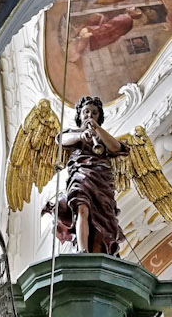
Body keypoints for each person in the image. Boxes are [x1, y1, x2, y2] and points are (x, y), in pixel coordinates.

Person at [50, 93, 124, 253]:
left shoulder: (103, 136)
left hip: (101, 179)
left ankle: (97, 253)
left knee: (103, 220)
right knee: (81, 207)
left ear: (99, 117)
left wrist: (97, 130)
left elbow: (116, 148)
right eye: (86, 112)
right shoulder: (73, 133)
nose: (90, 115)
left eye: (94, 112)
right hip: (81, 175)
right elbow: (62, 140)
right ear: (80, 115)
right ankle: (82, 250)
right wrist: (81, 135)